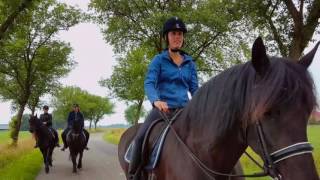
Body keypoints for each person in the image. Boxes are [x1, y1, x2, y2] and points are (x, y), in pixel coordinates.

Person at [128, 16, 199, 180]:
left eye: (180, 34)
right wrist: (156, 100)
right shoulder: (159, 60)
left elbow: (195, 89)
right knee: (140, 139)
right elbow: (149, 83)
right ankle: (134, 175)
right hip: (162, 110)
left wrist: (201, 105)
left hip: (185, 111)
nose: (177, 37)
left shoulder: (190, 63)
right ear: (166, 37)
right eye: (173, 33)